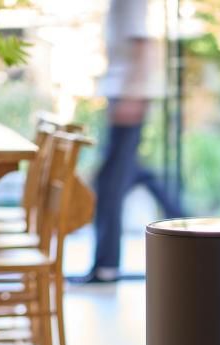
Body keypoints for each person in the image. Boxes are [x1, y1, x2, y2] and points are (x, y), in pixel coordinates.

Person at [89, 0, 183, 283]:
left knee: (110, 185)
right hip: (123, 95)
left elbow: (143, 45)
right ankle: (186, 224)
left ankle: (106, 267)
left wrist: (131, 97)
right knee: (134, 175)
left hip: (128, 97)